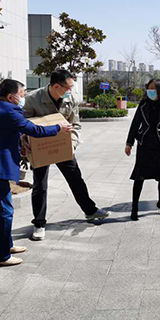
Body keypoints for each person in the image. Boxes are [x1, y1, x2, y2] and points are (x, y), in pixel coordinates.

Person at [0, 79, 71, 266]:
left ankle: (6, 245)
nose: (24, 97)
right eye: (22, 94)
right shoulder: (9, 110)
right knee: (3, 213)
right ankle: (0, 257)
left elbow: (6, 133)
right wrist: (58, 128)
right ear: (11, 97)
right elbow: (33, 130)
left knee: (0, 211)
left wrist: (20, 145)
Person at [23, 68, 108, 241]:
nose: (70, 91)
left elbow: (75, 124)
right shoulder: (33, 99)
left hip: (63, 146)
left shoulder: (71, 99)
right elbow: (23, 125)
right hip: (41, 149)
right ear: (56, 86)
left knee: (76, 178)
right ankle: (39, 223)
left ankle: (90, 211)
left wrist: (72, 145)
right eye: (68, 87)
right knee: (40, 185)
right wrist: (25, 142)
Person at [125, 79, 160, 221]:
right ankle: (134, 208)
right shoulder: (143, 105)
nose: (150, 91)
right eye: (149, 88)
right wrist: (129, 143)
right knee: (139, 177)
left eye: (154, 88)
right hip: (145, 145)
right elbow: (135, 124)